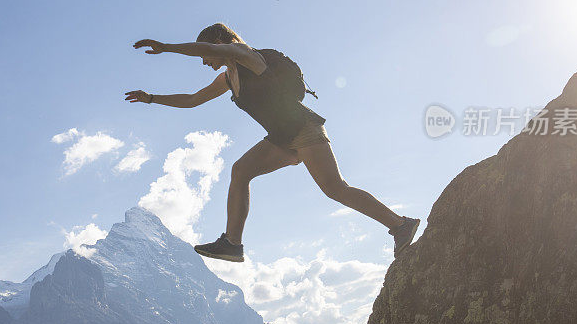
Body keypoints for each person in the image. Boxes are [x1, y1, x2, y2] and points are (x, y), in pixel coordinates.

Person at [126, 23, 419, 262]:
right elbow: (192, 100)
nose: (204, 61)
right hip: (282, 137)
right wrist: (152, 98)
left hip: (303, 129)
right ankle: (232, 244)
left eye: (207, 54)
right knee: (241, 171)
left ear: (218, 41)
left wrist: (166, 47)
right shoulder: (228, 78)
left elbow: (207, 50)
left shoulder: (246, 55)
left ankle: (401, 225)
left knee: (335, 189)